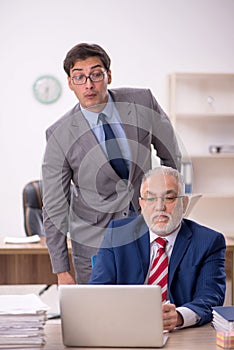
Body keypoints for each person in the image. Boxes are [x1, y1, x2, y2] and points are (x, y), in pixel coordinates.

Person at [42, 43, 181, 285]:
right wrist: (61, 270)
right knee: (98, 315)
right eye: (79, 77)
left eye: (96, 74)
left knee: (147, 311)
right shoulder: (59, 134)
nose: (89, 84)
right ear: (70, 82)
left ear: (108, 75)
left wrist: (171, 207)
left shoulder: (142, 101)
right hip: (94, 241)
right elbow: (54, 205)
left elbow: (171, 156)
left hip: (147, 231)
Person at [89, 166, 226, 331]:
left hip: (181, 334)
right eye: (150, 198)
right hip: (125, 328)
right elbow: (98, 291)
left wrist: (180, 316)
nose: (159, 207)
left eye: (169, 198)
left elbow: (211, 297)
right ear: (141, 203)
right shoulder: (117, 234)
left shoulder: (209, 241)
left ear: (184, 203)